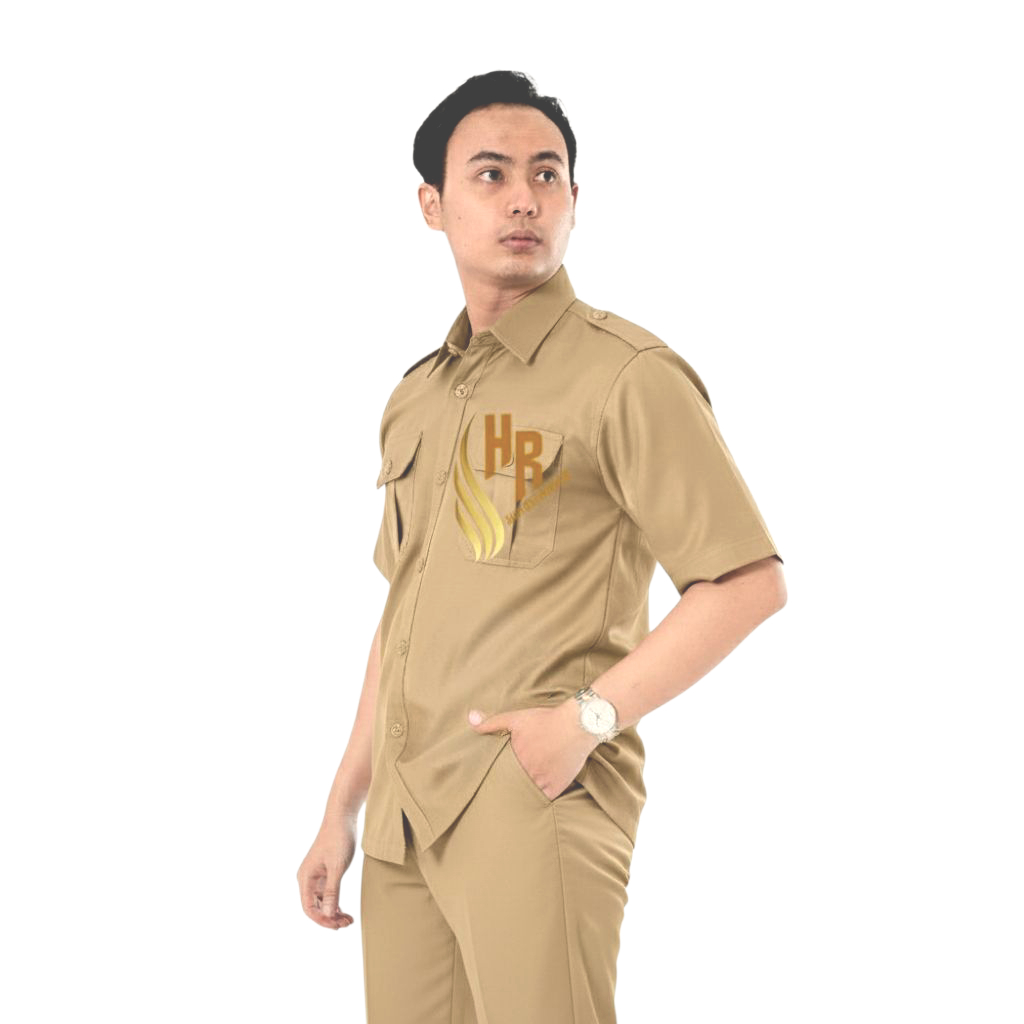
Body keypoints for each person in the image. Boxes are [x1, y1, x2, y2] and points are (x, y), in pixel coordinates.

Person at [297, 69, 788, 1024]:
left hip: (530, 798)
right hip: (403, 819)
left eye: (547, 174)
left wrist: (586, 722)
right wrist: (342, 806)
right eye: (491, 174)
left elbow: (747, 582)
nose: (524, 198)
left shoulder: (627, 374)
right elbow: (403, 616)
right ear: (433, 205)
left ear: (573, 198)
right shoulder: (417, 397)